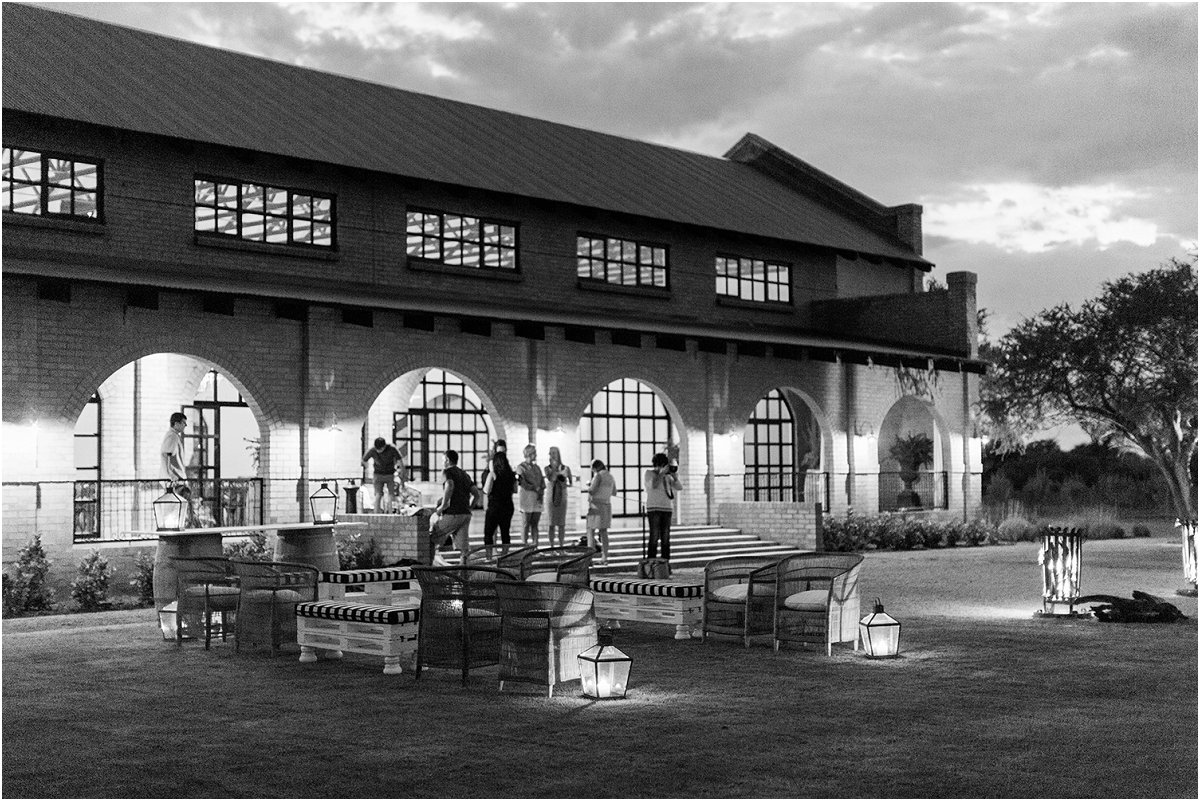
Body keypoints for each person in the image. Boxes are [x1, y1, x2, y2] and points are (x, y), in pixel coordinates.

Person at [429, 449, 483, 562]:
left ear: (447, 460)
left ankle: (429, 567)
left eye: (443, 460)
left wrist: (443, 506)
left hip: (453, 513)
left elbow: (450, 485)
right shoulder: (464, 474)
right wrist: (469, 507)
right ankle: (464, 570)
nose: (442, 463)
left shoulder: (447, 472)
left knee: (431, 538)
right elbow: (476, 494)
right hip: (465, 514)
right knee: (464, 549)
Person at [160, 411, 199, 527]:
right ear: (176, 423)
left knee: (180, 508)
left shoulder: (173, 436)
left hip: (177, 480)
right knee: (178, 509)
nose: (185, 426)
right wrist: (172, 477)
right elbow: (167, 456)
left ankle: (180, 527)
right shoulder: (172, 437)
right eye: (183, 423)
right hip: (177, 480)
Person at [644, 452, 681, 562]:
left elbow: (679, 487)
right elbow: (653, 485)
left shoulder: (667, 476)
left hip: (667, 508)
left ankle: (665, 563)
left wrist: (674, 477)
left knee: (665, 537)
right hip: (654, 508)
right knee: (654, 536)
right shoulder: (649, 473)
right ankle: (651, 562)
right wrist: (661, 473)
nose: (661, 468)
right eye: (660, 465)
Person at [482, 450, 517, 559]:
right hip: (508, 506)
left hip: (495, 506)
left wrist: (491, 472)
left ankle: (489, 557)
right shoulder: (511, 475)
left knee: (489, 533)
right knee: (505, 532)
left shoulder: (493, 474)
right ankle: (504, 556)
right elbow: (515, 490)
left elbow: (486, 490)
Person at [361, 437, 406, 513]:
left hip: (390, 474)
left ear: (384, 446)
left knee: (391, 494)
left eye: (380, 449)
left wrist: (401, 473)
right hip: (378, 474)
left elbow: (400, 461)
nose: (378, 451)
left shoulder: (392, 448)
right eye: (377, 449)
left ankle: (390, 512)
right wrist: (366, 468)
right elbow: (364, 460)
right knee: (378, 494)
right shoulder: (373, 450)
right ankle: (376, 513)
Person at [585, 459, 617, 565]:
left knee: (590, 531)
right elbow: (614, 492)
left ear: (595, 468)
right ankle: (605, 557)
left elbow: (592, 490)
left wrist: (589, 485)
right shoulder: (610, 476)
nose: (592, 471)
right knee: (604, 532)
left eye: (592, 469)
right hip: (607, 505)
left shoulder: (598, 476)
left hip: (596, 506)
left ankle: (589, 559)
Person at [543, 446, 574, 548]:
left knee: (561, 523)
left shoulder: (566, 468)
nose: (552, 455)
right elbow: (551, 478)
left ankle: (561, 545)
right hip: (551, 497)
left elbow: (570, 482)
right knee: (551, 523)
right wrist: (556, 470)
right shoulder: (547, 468)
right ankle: (552, 546)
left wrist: (564, 480)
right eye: (550, 453)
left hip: (562, 497)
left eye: (554, 453)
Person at [516, 444, 545, 547]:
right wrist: (534, 487)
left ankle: (535, 546)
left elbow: (542, 481)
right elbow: (522, 482)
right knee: (526, 523)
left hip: (537, 498)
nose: (535, 455)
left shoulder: (537, 468)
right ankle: (524, 546)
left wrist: (541, 490)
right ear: (529, 454)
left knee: (535, 524)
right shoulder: (521, 467)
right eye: (534, 453)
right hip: (526, 498)